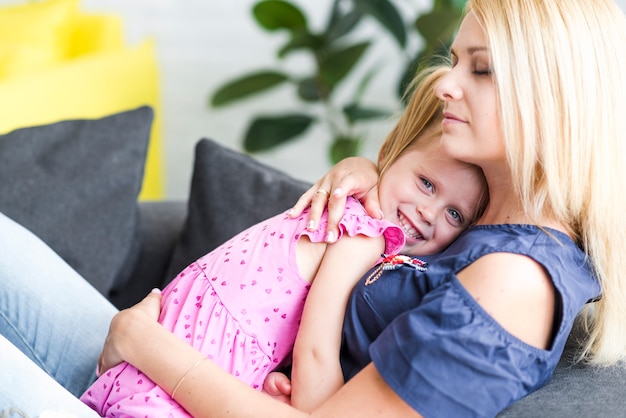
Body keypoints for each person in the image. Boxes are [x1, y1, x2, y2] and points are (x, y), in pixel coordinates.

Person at [1, 1, 625, 417]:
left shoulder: (516, 281)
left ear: (553, 101)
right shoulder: (485, 214)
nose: (444, 82)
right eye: (457, 60)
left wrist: (145, 345)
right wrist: (370, 175)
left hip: (171, 381)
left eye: (482, 70)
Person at [79, 66, 488, 417]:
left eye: (455, 215)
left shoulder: (354, 209)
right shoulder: (363, 235)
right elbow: (315, 348)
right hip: (170, 381)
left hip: (149, 367)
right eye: (426, 183)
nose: (429, 213)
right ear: (391, 152)